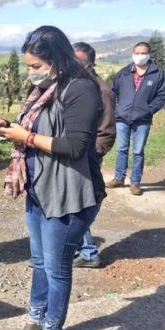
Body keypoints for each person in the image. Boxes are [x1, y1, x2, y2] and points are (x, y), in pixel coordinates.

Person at [0, 26, 104, 330]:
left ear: (56, 59)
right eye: (28, 66)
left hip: (69, 196)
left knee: (57, 269)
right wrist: (11, 129)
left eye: (35, 64)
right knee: (39, 263)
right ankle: (35, 320)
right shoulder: (45, 88)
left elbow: (74, 146)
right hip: (39, 189)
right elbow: (37, 130)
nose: (31, 71)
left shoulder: (81, 88)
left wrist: (24, 135)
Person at [72, 41, 116, 268]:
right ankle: (79, 249)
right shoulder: (74, 85)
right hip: (73, 154)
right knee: (73, 200)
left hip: (87, 156)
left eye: (79, 60)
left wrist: (93, 154)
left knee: (81, 201)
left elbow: (107, 131)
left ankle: (88, 252)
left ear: (90, 61)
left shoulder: (102, 90)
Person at [107, 42, 165, 195]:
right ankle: (119, 178)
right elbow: (113, 92)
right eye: (137, 52)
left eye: (143, 53)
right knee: (121, 149)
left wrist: (149, 110)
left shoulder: (157, 73)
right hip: (122, 117)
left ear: (149, 54)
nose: (140, 55)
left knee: (138, 151)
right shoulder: (124, 73)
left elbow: (162, 96)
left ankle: (135, 182)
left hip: (143, 120)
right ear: (133, 54)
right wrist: (117, 108)